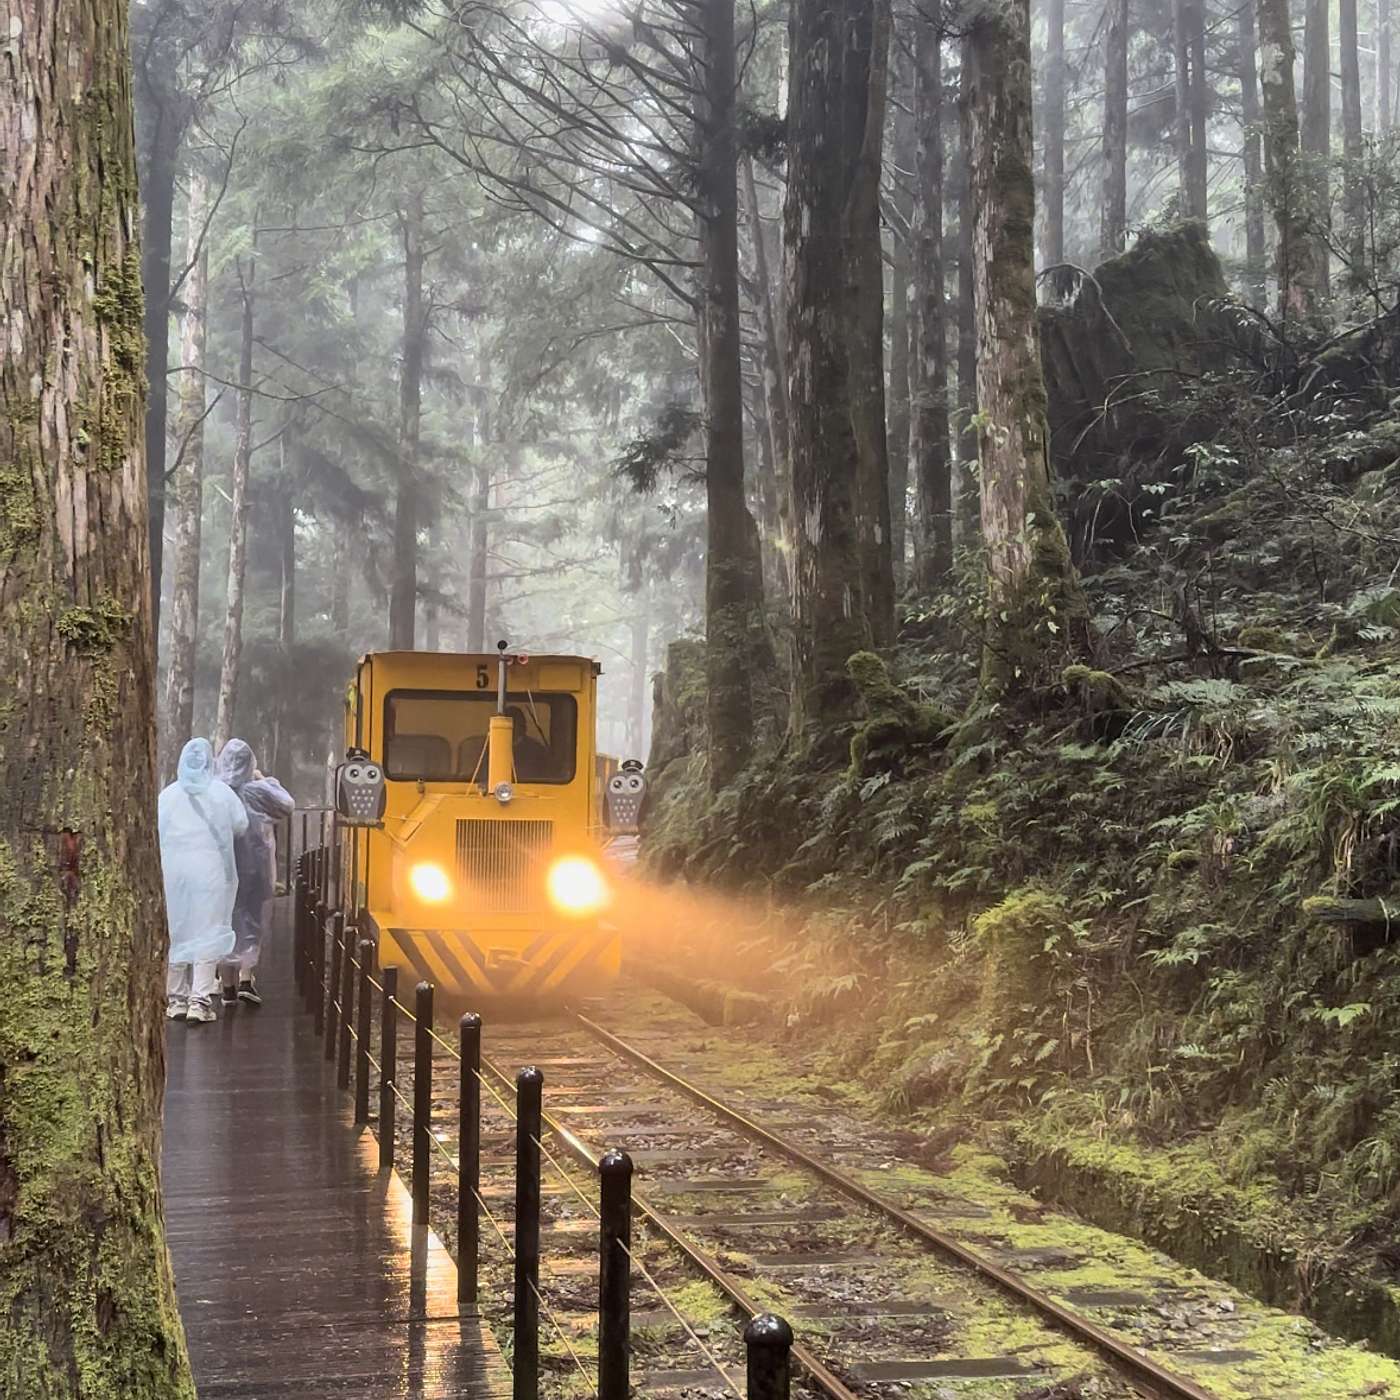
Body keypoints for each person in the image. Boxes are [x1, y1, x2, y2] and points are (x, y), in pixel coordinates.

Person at [160, 738, 247, 1024]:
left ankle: (175, 1000)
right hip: (211, 874)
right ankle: (200, 1000)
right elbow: (241, 825)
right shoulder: (221, 793)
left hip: (174, 875)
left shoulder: (167, 796)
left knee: (177, 932)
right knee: (208, 933)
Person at [215, 739, 294, 1006]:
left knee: (225, 924)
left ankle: (227, 988)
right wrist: (268, 781)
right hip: (257, 868)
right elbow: (287, 805)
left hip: (222, 870)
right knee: (253, 921)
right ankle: (246, 979)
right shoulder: (257, 791)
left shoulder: (216, 791)